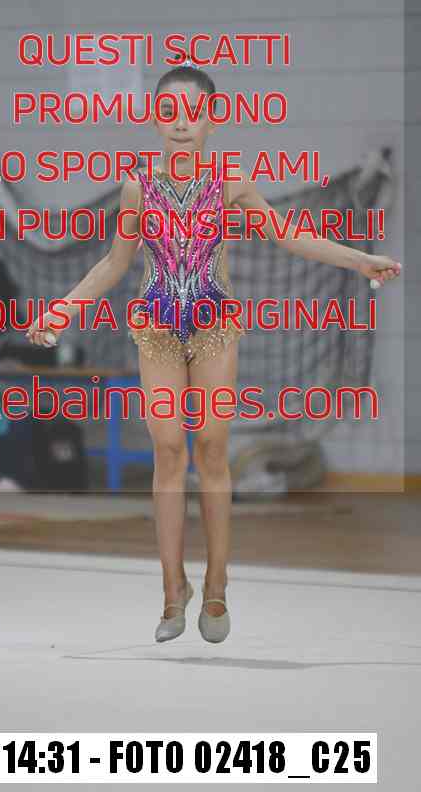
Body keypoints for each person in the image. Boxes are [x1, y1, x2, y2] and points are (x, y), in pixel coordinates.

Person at [26, 59, 402, 644]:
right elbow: (115, 263)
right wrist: (64, 308)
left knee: (212, 448)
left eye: (193, 112)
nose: (181, 123)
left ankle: (218, 580)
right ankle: (172, 586)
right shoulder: (138, 186)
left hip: (214, 327)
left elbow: (287, 234)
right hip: (156, 327)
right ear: (155, 119)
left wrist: (360, 259)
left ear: (212, 118)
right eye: (169, 112)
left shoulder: (230, 181)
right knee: (168, 451)